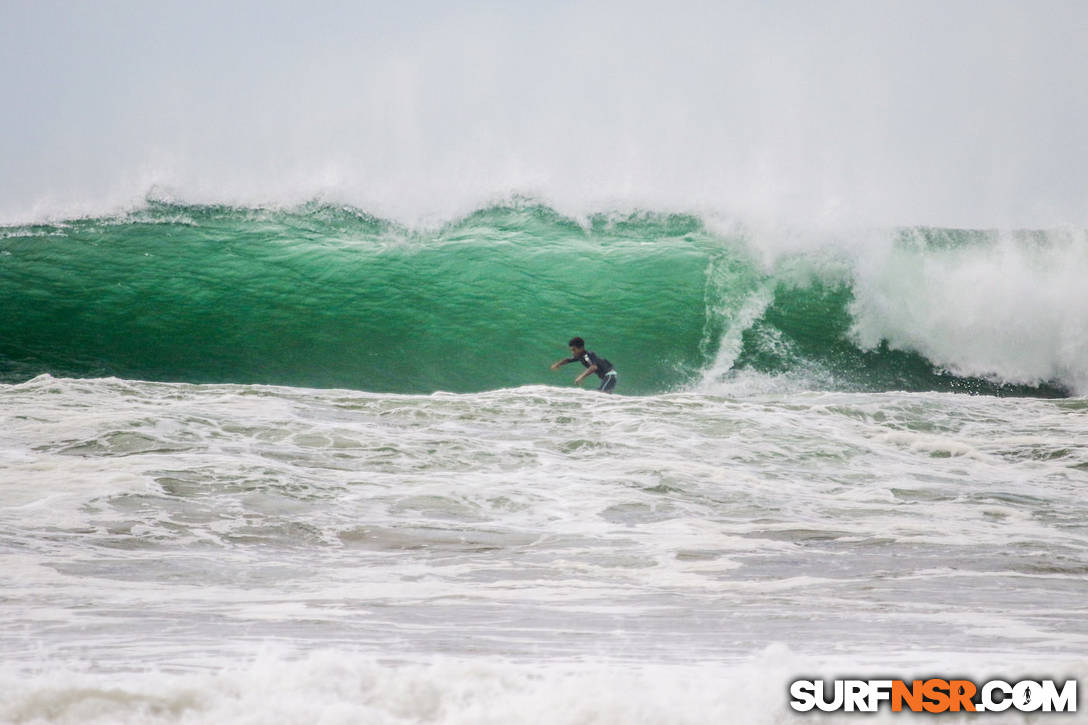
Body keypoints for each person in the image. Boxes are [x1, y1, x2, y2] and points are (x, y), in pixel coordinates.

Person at [550, 337, 618, 393]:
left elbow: (593, 367)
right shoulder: (581, 356)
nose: (573, 352)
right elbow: (568, 360)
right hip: (608, 377)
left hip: (609, 375)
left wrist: (581, 377)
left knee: (601, 394)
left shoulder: (588, 355)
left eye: (574, 350)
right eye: (571, 350)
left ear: (581, 348)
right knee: (601, 393)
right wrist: (557, 364)